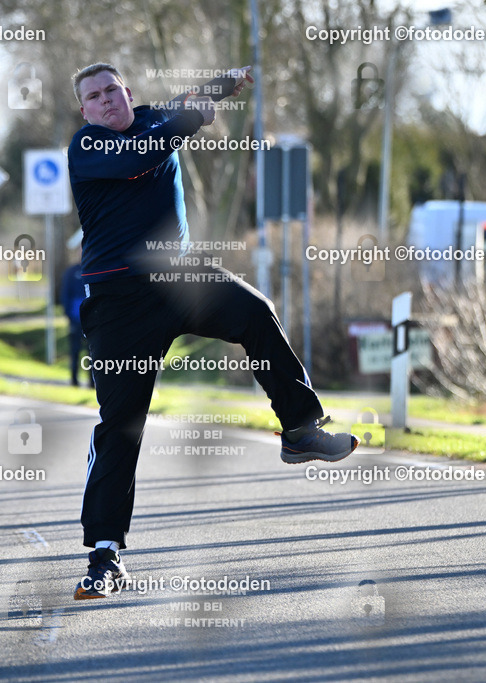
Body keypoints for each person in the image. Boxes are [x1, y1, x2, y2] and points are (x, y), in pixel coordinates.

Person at [68, 63, 358, 600]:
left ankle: (300, 429)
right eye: (94, 97)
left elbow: (187, 103)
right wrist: (193, 117)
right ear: (84, 110)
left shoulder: (155, 119)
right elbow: (146, 153)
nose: (106, 101)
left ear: (128, 92)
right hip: (119, 300)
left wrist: (229, 80)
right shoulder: (88, 148)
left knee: (255, 310)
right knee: (122, 425)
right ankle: (104, 556)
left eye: (113, 90)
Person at [60, 230, 92, 387]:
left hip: (92, 320)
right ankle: (74, 380)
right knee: (75, 352)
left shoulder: (94, 270)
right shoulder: (71, 272)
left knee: (93, 353)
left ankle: (93, 382)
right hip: (75, 320)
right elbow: (65, 295)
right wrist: (68, 314)